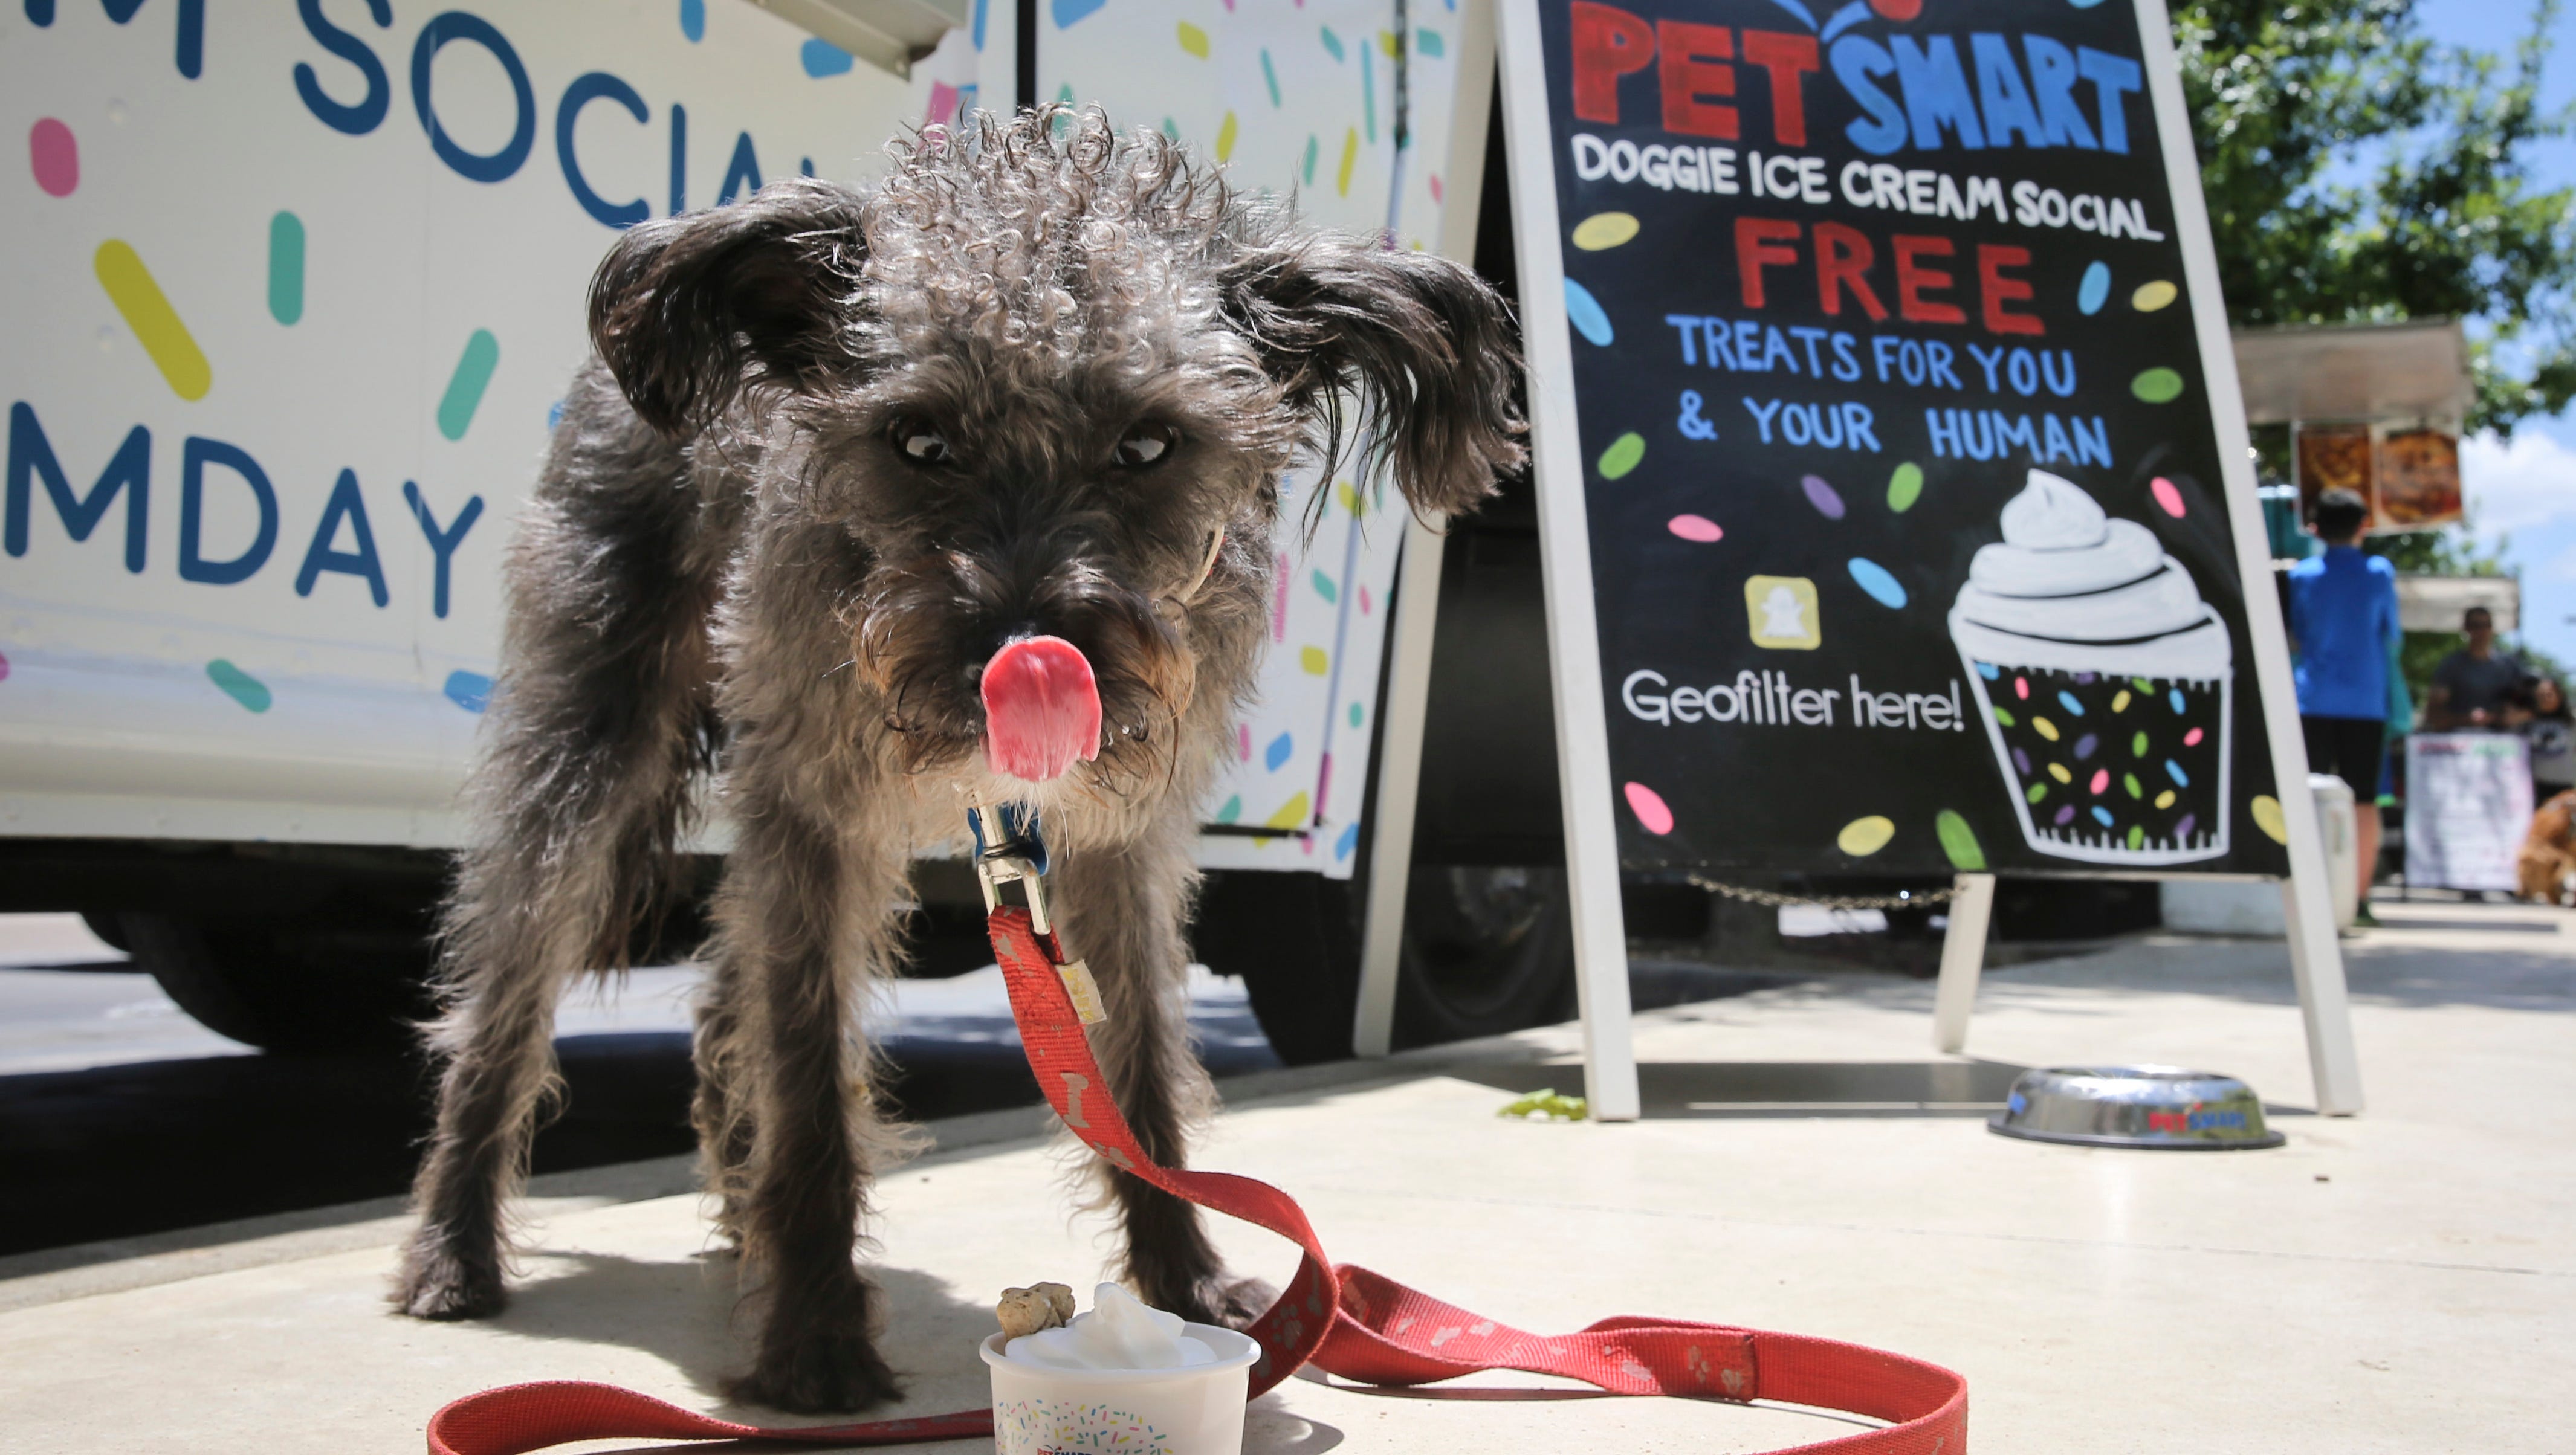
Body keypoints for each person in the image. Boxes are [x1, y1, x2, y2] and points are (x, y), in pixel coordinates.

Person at [2286, 488, 2400, 923]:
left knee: (2305, 795)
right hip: (2365, 701)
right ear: (2364, 527)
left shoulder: (2303, 574)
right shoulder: (2378, 573)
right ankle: (2359, 899)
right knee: (2364, 800)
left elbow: (2298, 631)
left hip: (2311, 698)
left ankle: (2307, 894)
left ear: (2314, 528)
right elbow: (2392, 633)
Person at [2424, 605, 2524, 730]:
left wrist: (2504, 716)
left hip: (2503, 740)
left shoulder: (2509, 666)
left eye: (2487, 625)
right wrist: (2466, 719)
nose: (2482, 631)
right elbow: (2433, 713)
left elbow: (2529, 708)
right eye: (2476, 626)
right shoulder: (2451, 665)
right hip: (2457, 740)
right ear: (2466, 628)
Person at [2511, 675, 2575, 804]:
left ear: (2559, 695)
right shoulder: (2526, 722)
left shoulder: (2571, 722)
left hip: (2565, 788)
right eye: (2540, 696)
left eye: (2549, 694)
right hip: (2533, 788)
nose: (2545, 699)